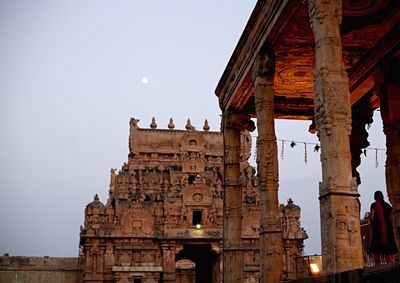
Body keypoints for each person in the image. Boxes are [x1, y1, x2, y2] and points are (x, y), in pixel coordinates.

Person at [369, 190, 398, 265]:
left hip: (377, 231)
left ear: (375, 197)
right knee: (388, 249)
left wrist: (372, 224)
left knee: (377, 249)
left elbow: (372, 217)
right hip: (387, 231)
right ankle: (390, 264)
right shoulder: (388, 206)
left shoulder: (373, 205)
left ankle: (377, 265)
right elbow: (391, 218)